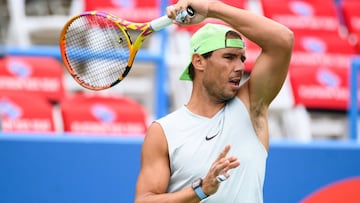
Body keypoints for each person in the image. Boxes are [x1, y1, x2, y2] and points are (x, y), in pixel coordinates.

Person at [134, 0, 294, 202]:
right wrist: (200, 190)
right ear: (199, 61)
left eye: (242, 59)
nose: (239, 67)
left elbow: (283, 40)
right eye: (229, 57)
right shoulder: (163, 131)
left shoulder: (251, 106)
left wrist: (211, 9)